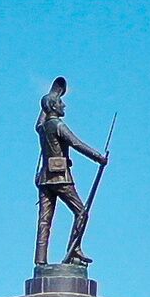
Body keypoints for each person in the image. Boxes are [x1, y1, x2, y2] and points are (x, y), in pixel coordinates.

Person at [34, 77, 106, 268]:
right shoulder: (58, 125)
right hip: (60, 177)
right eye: (60, 102)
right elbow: (76, 143)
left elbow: (39, 121)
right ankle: (74, 250)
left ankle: (40, 259)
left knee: (44, 220)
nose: (64, 104)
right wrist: (98, 157)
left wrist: (52, 95)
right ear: (54, 107)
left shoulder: (42, 127)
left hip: (44, 178)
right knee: (81, 212)